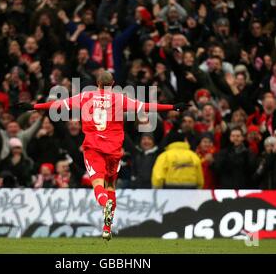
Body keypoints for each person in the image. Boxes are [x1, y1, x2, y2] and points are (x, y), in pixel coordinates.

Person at [22, 70, 189, 240]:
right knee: (110, 185)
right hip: (114, 148)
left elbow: (59, 105)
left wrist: (34, 107)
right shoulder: (120, 98)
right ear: (113, 83)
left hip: (94, 146)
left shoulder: (85, 97)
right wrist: (173, 107)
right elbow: (146, 106)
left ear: (97, 83)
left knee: (98, 184)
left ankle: (104, 203)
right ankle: (107, 227)